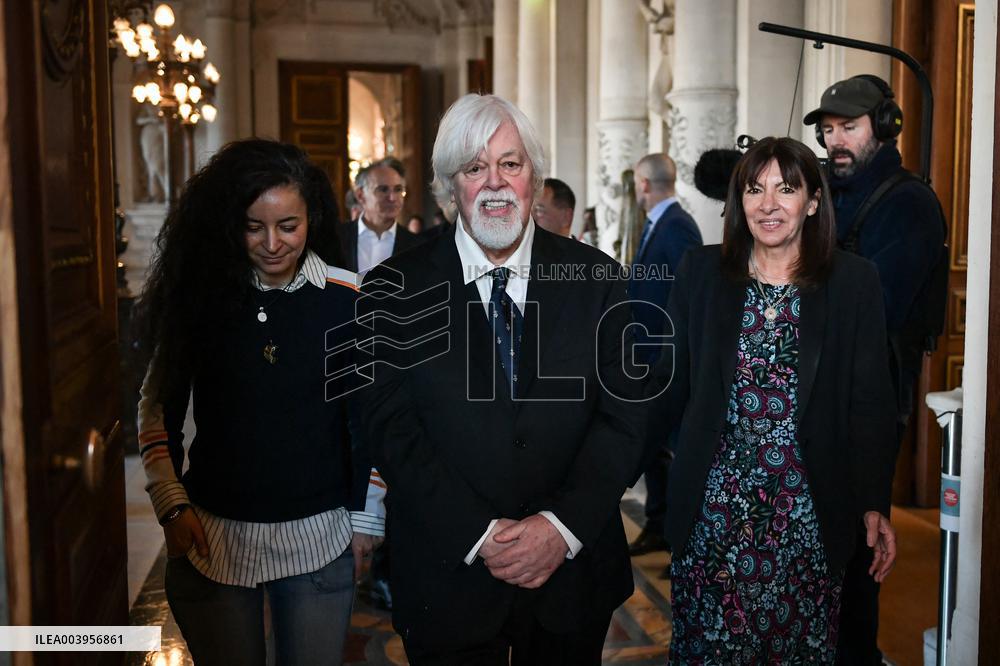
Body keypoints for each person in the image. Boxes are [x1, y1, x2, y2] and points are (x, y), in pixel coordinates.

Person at [358, 93, 645, 664]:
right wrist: (479, 534)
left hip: (571, 578)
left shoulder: (598, 279)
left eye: (510, 165)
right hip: (447, 577)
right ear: (449, 188)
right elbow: (389, 431)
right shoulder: (393, 289)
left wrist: (558, 528)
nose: (494, 183)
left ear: (533, 179)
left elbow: (627, 419)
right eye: (474, 168)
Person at [133, 139, 385, 666]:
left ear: (312, 218)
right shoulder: (202, 295)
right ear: (231, 223)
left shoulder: (349, 298)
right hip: (213, 535)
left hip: (321, 535)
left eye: (287, 226)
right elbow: (157, 407)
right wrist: (170, 499)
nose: (272, 243)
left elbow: (372, 418)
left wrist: (368, 519)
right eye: (254, 226)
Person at [648, 137, 898, 662]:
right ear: (739, 201)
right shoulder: (702, 273)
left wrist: (873, 500)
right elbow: (667, 389)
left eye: (786, 189)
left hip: (807, 518)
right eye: (754, 189)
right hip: (713, 518)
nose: (768, 204)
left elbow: (871, 403)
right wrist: (601, 480)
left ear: (812, 201)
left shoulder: (854, 282)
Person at [804, 74, 946, 665]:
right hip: (815, 390)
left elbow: (876, 307)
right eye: (830, 130)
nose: (836, 141)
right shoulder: (832, 192)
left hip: (867, 399)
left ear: (884, 129)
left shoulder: (907, 202)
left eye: (850, 128)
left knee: (856, 547)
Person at [627, 153, 702, 565]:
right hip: (649, 354)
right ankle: (658, 525)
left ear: (643, 183)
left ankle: (680, 543)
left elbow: (687, 294)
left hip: (666, 358)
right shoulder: (662, 223)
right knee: (654, 447)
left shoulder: (677, 226)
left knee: (671, 450)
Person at [337, 157, 422, 274]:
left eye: (398, 189)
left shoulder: (417, 246)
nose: (392, 198)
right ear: (361, 195)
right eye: (383, 189)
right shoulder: (336, 238)